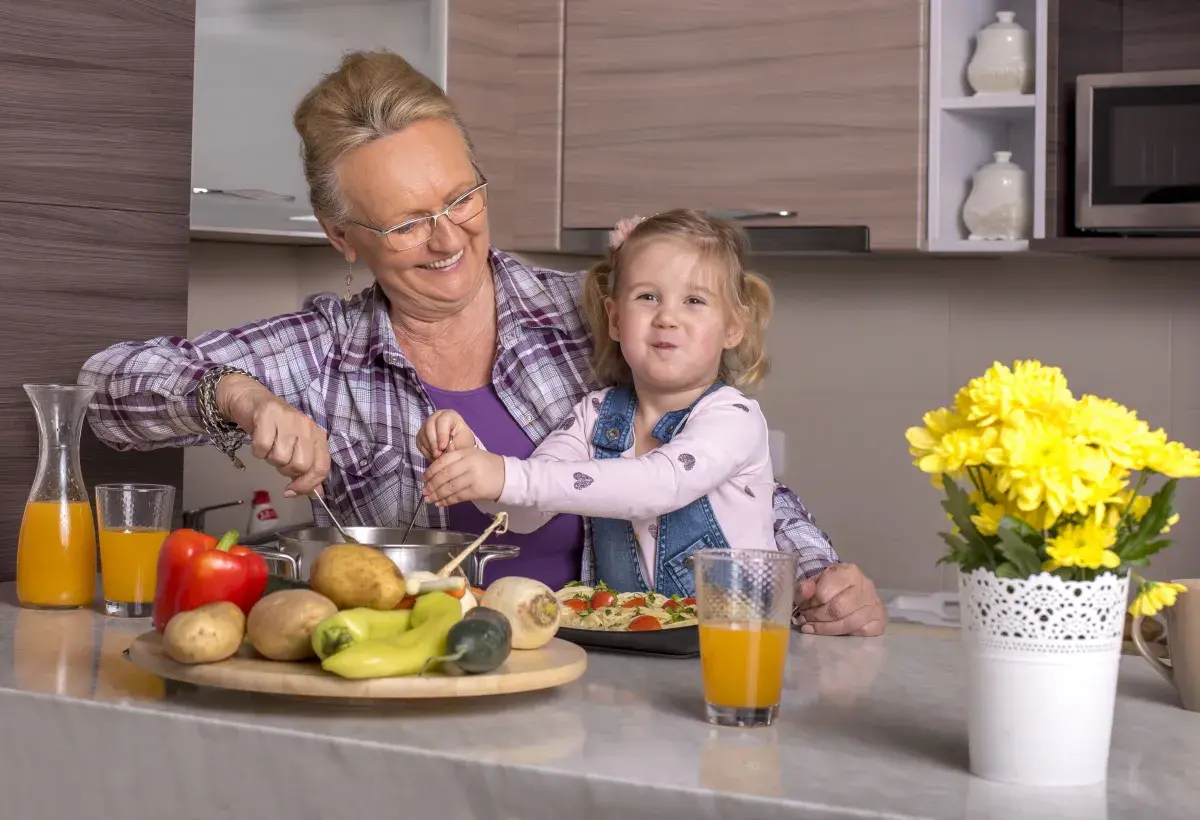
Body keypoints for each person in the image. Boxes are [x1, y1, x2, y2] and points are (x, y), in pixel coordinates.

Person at [78, 49, 885, 636]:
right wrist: (237, 395)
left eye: (461, 196)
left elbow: (727, 481)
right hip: (414, 688)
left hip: (614, 678)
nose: (446, 238)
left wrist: (815, 572)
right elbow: (107, 389)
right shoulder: (323, 351)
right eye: (404, 222)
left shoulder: (591, 312)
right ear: (342, 237)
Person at [417, 210, 777, 599]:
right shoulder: (595, 415)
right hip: (631, 642)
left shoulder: (733, 419)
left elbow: (659, 484)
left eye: (694, 300)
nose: (667, 317)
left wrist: (506, 474)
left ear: (733, 327)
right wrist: (472, 461)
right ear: (616, 319)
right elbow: (526, 511)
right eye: (647, 296)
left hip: (736, 644)